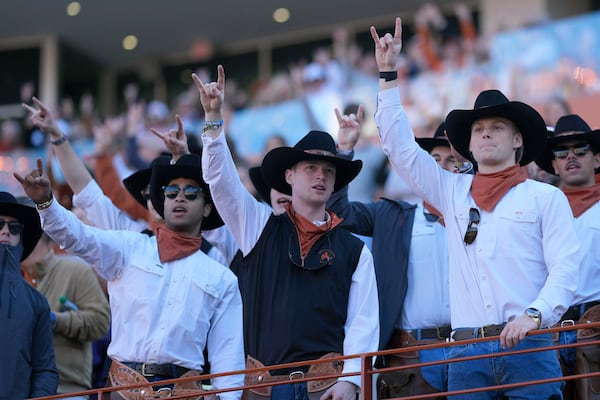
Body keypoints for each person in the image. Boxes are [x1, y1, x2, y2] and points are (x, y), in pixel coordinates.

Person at [371, 18, 579, 399]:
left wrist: (535, 314)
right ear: (468, 142)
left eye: (497, 126)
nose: (485, 132)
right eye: (479, 127)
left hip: (530, 345)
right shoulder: (451, 190)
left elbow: (566, 267)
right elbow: (398, 148)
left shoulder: (545, 197)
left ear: (518, 140)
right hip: (465, 352)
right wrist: (388, 74)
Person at [197, 65, 379, 400]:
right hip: (262, 390)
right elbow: (221, 183)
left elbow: (363, 323)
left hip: (326, 389)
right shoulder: (259, 226)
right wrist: (212, 119)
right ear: (290, 176)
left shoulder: (355, 250)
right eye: (311, 168)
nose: (320, 176)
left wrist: (350, 380)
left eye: (328, 170)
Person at [14, 154, 245, 400]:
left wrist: (226, 397)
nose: (179, 197)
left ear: (207, 207)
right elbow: (78, 237)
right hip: (126, 388)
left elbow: (228, 354)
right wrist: (46, 204)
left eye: (190, 193)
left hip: (184, 390)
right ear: (162, 203)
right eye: (170, 192)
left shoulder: (222, 277)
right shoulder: (130, 247)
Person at [329, 112, 452, 399]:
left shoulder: (483, 217)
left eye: (453, 161)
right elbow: (340, 213)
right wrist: (345, 151)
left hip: (472, 351)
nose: (443, 168)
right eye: (435, 160)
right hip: (410, 356)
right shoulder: (392, 216)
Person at [535, 114, 600, 399]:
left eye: (580, 149)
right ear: (554, 165)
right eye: (562, 152)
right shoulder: (538, 208)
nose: (570, 156)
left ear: (597, 160)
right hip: (549, 331)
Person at [20, 227, 111, 399]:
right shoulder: (7, 279)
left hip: (65, 389)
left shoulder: (76, 271)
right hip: (15, 389)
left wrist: (56, 320)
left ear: (47, 240)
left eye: (30, 237)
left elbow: (101, 322)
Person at [0, 191, 58, 399]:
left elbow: (45, 370)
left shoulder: (36, 302)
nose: (6, 231)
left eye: (14, 228)